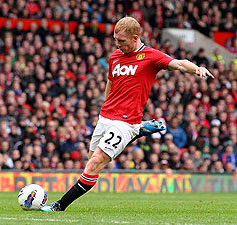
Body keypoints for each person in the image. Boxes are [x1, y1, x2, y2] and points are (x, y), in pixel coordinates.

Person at [41, 16, 214, 212]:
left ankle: (59, 206)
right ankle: (137, 131)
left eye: (121, 41)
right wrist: (104, 107)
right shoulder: (115, 56)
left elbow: (180, 64)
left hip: (125, 121)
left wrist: (197, 68)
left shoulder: (151, 56)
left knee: (95, 163)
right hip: (106, 116)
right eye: (116, 40)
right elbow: (111, 81)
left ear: (135, 38)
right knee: (91, 163)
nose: (118, 44)